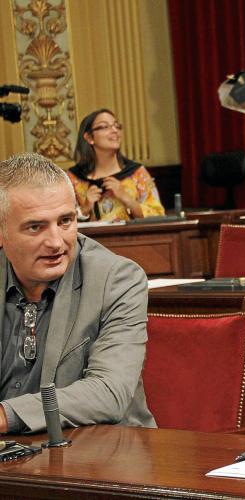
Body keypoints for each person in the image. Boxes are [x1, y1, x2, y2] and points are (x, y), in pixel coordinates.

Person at [0, 152, 155, 433]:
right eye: (35, 227)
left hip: (102, 449)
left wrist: (5, 415)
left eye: (65, 221)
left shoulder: (117, 280)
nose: (56, 242)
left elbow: (109, 393)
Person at [67, 109, 165, 222]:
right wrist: (84, 209)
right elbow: (61, 221)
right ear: (89, 138)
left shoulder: (137, 173)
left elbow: (159, 215)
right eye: (105, 127)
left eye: (117, 126)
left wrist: (127, 199)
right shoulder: (74, 178)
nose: (114, 130)